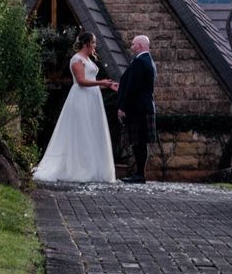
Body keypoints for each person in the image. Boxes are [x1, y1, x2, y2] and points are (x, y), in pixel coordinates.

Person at [33, 31, 118, 183]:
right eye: (93, 43)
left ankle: (93, 168)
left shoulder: (88, 59)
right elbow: (81, 81)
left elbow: (91, 80)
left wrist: (108, 85)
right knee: (82, 131)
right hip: (81, 98)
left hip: (92, 98)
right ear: (86, 44)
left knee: (92, 131)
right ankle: (80, 168)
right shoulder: (76, 59)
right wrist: (101, 83)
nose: (95, 46)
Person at [117, 34, 157, 183]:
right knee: (140, 142)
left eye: (133, 44)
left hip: (138, 108)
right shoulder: (147, 61)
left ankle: (140, 175)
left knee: (138, 142)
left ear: (140, 46)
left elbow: (133, 87)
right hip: (144, 107)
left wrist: (122, 107)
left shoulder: (140, 62)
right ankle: (140, 174)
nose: (131, 46)